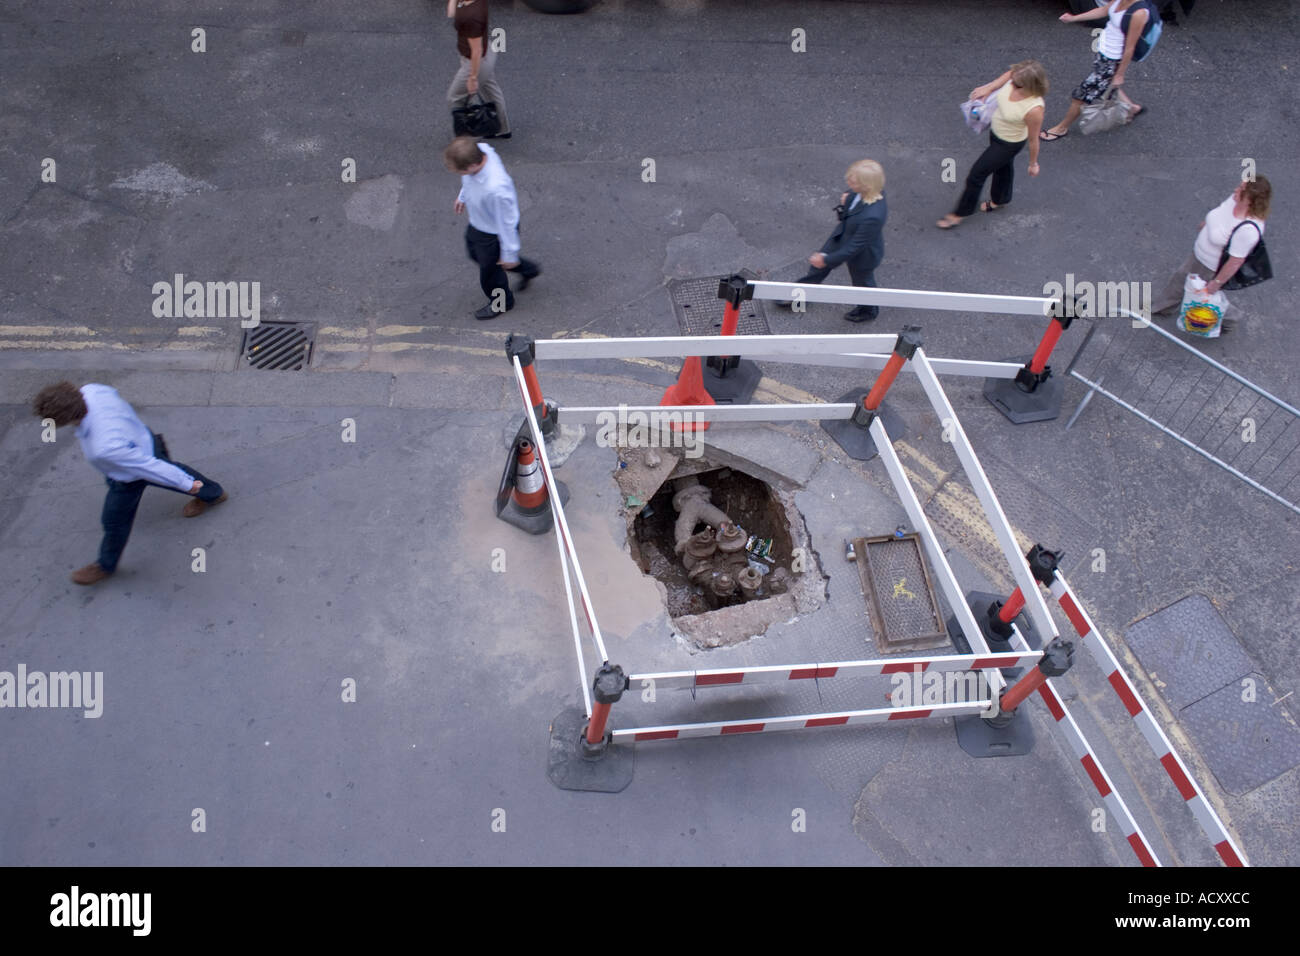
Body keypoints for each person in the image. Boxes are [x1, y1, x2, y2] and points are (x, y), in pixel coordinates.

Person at [31, 382, 228, 586]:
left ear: (69, 419)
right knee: (176, 471)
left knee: (115, 521)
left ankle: (105, 565)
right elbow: (115, 396)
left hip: (128, 475)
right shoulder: (92, 390)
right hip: (145, 440)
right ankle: (213, 493)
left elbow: (147, 467)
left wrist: (187, 485)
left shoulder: (104, 446)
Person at [1151, 177, 1271, 333]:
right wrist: (1206, 223)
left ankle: (1230, 318)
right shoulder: (1234, 200)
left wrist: (1216, 283)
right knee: (1180, 279)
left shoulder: (1248, 230)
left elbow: (1235, 261)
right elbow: (1220, 213)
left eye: (1241, 190)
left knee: (1203, 295)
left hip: (1210, 267)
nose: (1236, 190)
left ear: (1250, 201)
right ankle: (1162, 307)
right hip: (1198, 254)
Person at [937, 60, 1046, 229]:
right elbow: (1008, 75)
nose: (1012, 84)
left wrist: (1033, 164)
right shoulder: (1015, 78)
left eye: (1017, 84)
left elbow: (1033, 139)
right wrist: (989, 88)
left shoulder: (1034, 109)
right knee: (1003, 167)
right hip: (996, 133)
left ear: (1030, 85)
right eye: (1013, 79)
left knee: (976, 175)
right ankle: (1000, 199)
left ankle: (960, 213)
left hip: (1009, 144)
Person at [445, 136, 540, 320]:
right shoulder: (481, 150)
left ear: (472, 166)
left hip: (492, 234)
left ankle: (502, 303)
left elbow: (507, 222)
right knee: (475, 254)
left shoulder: (496, 189)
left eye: (460, 171)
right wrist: (463, 196)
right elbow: (469, 181)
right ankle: (527, 269)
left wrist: (509, 253)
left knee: (489, 273)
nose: (460, 174)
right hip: (479, 225)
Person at [782, 159, 888, 322]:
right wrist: (848, 201)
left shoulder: (873, 216)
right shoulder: (864, 192)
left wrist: (827, 259)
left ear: (866, 186)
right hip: (843, 235)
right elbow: (854, 205)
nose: (848, 183)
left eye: (853, 182)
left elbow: (855, 247)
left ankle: (868, 311)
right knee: (817, 268)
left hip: (863, 255)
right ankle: (801, 295)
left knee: (862, 283)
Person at [1040, 1, 1150, 142]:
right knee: (1108, 82)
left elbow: (1130, 47)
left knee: (1080, 96)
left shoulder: (1139, 13)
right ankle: (1131, 108)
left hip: (1112, 61)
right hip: (1104, 53)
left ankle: (1061, 128)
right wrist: (1074, 18)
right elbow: (1104, 10)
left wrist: (1120, 74)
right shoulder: (1119, 0)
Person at [447, 0, 510, 139]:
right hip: (488, 52)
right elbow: (451, 13)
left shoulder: (472, 16)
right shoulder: (470, 3)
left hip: (477, 61)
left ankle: (465, 141)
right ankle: (501, 128)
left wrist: (473, 77)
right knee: (490, 91)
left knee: (456, 98)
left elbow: (477, 51)